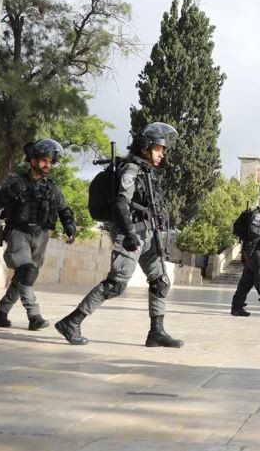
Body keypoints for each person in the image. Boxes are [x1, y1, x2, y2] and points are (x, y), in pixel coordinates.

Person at [56, 123, 184, 347]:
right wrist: (129, 234)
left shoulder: (148, 171)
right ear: (145, 148)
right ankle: (72, 321)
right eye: (158, 149)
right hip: (131, 233)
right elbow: (120, 204)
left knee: (160, 281)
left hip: (149, 234)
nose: (162, 153)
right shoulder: (131, 170)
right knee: (116, 284)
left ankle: (156, 332)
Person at [0, 139, 77, 330]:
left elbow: (64, 210)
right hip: (18, 233)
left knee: (25, 276)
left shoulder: (52, 187)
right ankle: (34, 316)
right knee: (27, 271)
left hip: (41, 236)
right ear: (33, 161)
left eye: (50, 162)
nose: (48, 165)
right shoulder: (15, 181)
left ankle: (1, 312)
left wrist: (70, 227)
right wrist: (10, 192)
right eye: (44, 160)